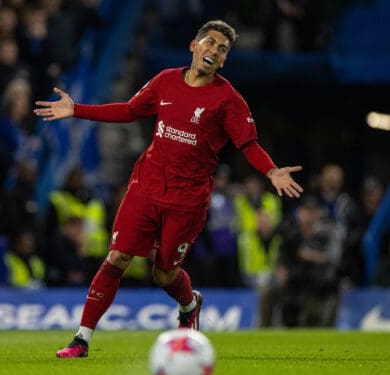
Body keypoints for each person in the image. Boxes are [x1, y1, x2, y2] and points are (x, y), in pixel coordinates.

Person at [34, 19, 303, 358]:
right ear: (194, 45)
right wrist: (78, 110)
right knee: (117, 257)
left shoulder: (228, 100)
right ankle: (81, 339)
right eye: (210, 42)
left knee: (164, 274)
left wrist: (272, 171)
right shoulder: (164, 81)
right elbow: (131, 111)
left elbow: (248, 144)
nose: (214, 50)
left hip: (187, 201)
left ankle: (190, 305)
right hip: (146, 186)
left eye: (222, 49)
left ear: (222, 61)